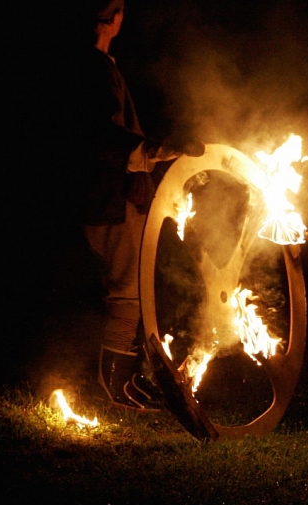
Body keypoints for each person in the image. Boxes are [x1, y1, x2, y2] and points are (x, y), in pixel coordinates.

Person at [73, 0, 204, 409]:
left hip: (115, 195)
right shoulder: (92, 69)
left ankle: (124, 381)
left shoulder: (96, 66)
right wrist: (159, 148)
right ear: (114, 20)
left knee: (131, 289)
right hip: (110, 197)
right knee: (127, 291)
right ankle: (116, 386)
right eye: (118, 10)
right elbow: (100, 138)